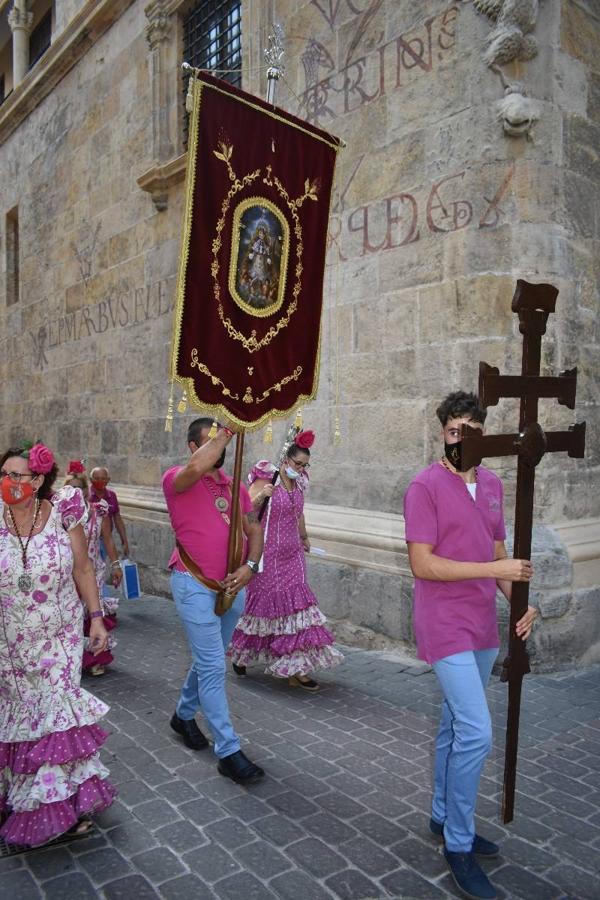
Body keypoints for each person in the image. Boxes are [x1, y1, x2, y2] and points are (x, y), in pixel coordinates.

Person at [403, 392, 538, 900]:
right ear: (443, 432)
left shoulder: (494, 484)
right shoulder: (424, 486)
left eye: (474, 431)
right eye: (456, 430)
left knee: (454, 725)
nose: (464, 438)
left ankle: (441, 816)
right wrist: (495, 570)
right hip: (443, 624)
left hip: (482, 623)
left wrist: (520, 601)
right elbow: (423, 564)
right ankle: (457, 845)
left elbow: (499, 551)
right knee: (477, 732)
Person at [0, 442, 116, 847]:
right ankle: (22, 795)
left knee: (54, 717)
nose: (12, 482)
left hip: (59, 637)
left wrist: (96, 616)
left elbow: (83, 566)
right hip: (10, 643)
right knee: (21, 717)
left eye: (21, 476)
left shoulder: (64, 509)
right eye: (6, 474)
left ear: (39, 479)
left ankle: (57, 806)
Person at [162, 418, 266, 784]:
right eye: (210, 443)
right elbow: (195, 468)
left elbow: (254, 529)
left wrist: (251, 567)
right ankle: (228, 750)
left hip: (232, 588)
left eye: (220, 442)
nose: (220, 449)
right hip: (193, 584)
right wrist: (228, 431)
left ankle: (183, 714)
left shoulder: (235, 486)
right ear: (194, 447)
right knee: (212, 667)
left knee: (209, 660)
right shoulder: (178, 479)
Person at [229, 431, 343, 691]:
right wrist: (260, 496)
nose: (301, 469)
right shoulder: (266, 477)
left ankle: (297, 667)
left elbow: (298, 512)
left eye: (305, 465)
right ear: (286, 459)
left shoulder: (300, 482)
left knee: (297, 607)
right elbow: (244, 511)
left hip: (293, 555)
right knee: (263, 607)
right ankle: (241, 653)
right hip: (266, 554)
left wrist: (304, 536)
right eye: (297, 464)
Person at [65, 462, 122, 676]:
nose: (75, 493)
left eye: (78, 489)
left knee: (93, 611)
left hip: (93, 569)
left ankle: (97, 658)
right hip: (68, 572)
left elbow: (107, 539)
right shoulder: (59, 512)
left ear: (86, 489)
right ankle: (73, 657)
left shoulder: (100, 510)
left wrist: (116, 565)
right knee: (73, 614)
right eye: (70, 489)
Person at [89, 465, 130, 560]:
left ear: (108, 480)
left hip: (106, 540)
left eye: (103, 479)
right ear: (91, 480)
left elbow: (117, 518)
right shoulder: (87, 495)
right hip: (89, 541)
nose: (100, 481)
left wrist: (124, 540)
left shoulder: (112, 495)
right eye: (97, 478)